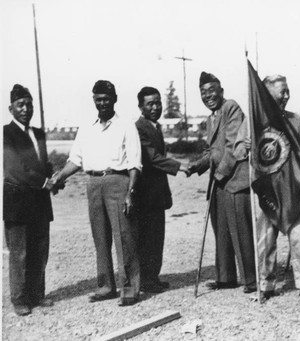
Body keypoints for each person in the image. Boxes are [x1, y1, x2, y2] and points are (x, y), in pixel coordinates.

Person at [52, 80, 142, 306]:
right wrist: (60, 177)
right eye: (98, 99)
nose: (102, 103)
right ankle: (106, 287)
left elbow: (135, 164)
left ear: (114, 99)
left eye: (106, 99)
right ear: (94, 100)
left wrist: (130, 192)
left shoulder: (126, 126)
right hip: (92, 183)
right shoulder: (86, 127)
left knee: (123, 237)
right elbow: (76, 159)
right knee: (100, 238)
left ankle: (130, 289)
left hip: (117, 181)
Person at [235, 75, 300, 301]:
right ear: (267, 94)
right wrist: (245, 146)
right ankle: (266, 283)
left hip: (294, 190)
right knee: (265, 239)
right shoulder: (252, 122)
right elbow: (237, 153)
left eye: (288, 90)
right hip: (266, 190)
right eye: (282, 91)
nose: (286, 96)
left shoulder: (296, 120)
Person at [187, 72, 256, 293]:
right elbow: (212, 151)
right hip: (219, 182)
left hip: (235, 180)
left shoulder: (231, 108)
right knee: (222, 230)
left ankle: (251, 279)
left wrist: (220, 174)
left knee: (241, 231)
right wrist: (198, 165)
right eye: (203, 92)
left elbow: (232, 148)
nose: (208, 96)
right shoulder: (211, 117)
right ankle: (225, 278)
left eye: (211, 90)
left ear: (221, 91)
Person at [3, 84, 58, 316]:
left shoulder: (39, 133)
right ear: (11, 108)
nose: (26, 109)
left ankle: (37, 294)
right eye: (20, 105)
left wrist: (54, 175)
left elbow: (41, 164)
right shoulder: (6, 133)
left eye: (29, 104)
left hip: (39, 202)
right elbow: (16, 169)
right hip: (18, 201)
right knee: (20, 252)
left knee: (40, 249)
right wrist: (45, 182)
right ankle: (19, 298)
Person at [134, 86, 188, 293]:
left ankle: (152, 277)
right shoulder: (139, 128)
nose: (155, 107)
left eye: (158, 102)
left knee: (157, 237)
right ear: (141, 107)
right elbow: (151, 157)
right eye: (150, 103)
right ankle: (145, 280)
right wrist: (180, 166)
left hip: (157, 194)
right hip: (144, 194)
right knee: (146, 237)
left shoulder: (155, 127)